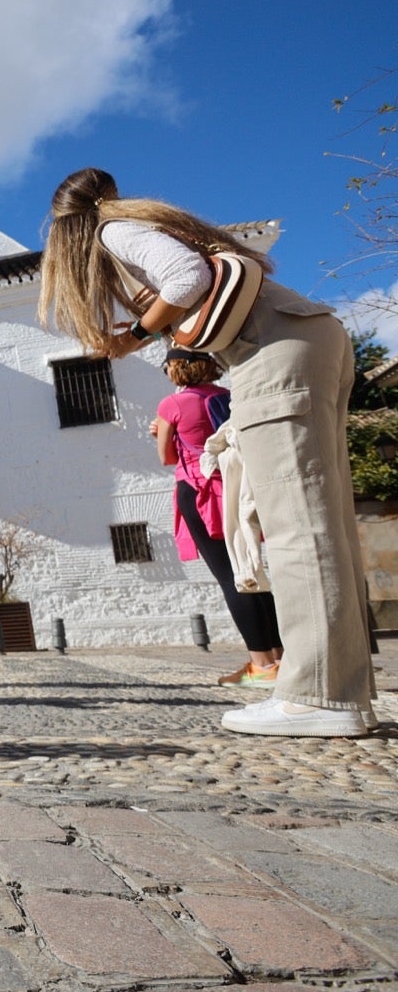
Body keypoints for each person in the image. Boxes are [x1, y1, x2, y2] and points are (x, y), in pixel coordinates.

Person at [39, 167, 377, 737]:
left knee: (296, 525)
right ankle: (340, 694)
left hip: (271, 349)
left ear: (65, 225)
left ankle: (319, 695)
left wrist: (135, 337)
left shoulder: (108, 231)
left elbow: (186, 277)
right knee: (325, 521)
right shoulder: (141, 221)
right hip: (305, 334)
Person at [152, 348, 283, 689]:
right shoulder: (229, 396)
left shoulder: (172, 405)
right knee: (251, 568)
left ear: (176, 368)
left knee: (229, 575)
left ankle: (261, 664)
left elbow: (166, 456)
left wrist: (161, 432)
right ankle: (279, 658)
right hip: (238, 487)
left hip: (198, 491)